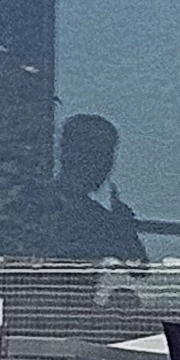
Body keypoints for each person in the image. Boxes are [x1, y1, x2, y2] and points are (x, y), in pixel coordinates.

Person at [43, 113, 147, 265]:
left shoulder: (112, 216)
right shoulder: (45, 208)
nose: (102, 164)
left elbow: (138, 269)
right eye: (87, 153)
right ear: (65, 154)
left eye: (106, 154)